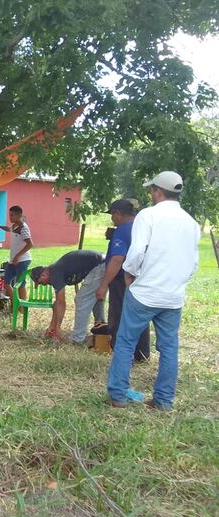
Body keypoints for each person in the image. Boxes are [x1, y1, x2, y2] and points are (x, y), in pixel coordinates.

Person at [107, 171, 200, 410]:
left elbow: (137, 252)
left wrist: (129, 273)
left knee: (126, 342)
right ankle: (163, 400)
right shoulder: (191, 223)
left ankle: (118, 394)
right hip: (173, 297)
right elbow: (194, 264)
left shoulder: (148, 215)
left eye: (152, 190)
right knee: (169, 348)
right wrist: (178, 283)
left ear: (158, 191)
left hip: (145, 292)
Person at [95, 199, 150, 362]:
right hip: (143, 278)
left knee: (118, 315)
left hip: (122, 280)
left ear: (117, 213)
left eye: (112, 215)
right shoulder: (144, 228)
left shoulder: (122, 230)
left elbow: (118, 259)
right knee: (140, 315)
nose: (112, 219)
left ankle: (121, 354)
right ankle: (141, 354)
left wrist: (103, 285)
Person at [30, 249, 106, 343]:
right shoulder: (55, 270)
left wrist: (58, 328)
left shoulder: (55, 274)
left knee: (81, 300)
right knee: (94, 296)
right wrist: (52, 326)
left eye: (41, 283)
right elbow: (57, 303)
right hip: (102, 262)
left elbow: (61, 302)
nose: (44, 285)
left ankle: (77, 339)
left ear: (44, 275)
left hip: (99, 265)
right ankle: (101, 329)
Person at [0, 205, 33, 302]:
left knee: (21, 283)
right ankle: (16, 302)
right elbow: (8, 229)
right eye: (9, 215)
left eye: (12, 215)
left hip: (23, 260)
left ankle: (22, 306)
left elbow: (30, 244)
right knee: (6, 281)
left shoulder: (23, 228)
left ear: (19, 215)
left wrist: (17, 256)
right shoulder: (14, 226)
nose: (10, 217)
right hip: (13, 260)